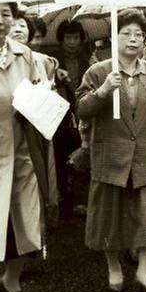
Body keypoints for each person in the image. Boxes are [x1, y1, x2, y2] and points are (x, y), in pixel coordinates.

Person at [76, 9, 146, 292]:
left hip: (145, 153)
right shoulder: (98, 72)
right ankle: (114, 267)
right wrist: (104, 91)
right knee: (110, 215)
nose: (133, 39)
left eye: (139, 34)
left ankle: (144, 271)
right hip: (110, 155)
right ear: (114, 37)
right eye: (126, 33)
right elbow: (82, 110)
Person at [0, 3, 46, 292]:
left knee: (25, 221)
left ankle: (11, 280)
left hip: (21, 151)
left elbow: (41, 95)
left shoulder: (25, 55)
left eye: (5, 14)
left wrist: (39, 96)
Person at [10, 12, 60, 226]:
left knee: (35, 173)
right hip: (6, 127)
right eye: (13, 24)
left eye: (23, 25)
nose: (18, 28)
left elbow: (47, 87)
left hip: (32, 124)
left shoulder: (38, 59)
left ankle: (39, 224)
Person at [52, 19, 91, 219]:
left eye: (76, 38)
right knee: (59, 157)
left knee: (81, 158)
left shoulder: (87, 61)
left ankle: (79, 200)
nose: (72, 42)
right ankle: (60, 195)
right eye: (68, 37)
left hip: (81, 117)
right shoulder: (52, 60)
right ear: (61, 40)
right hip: (58, 118)